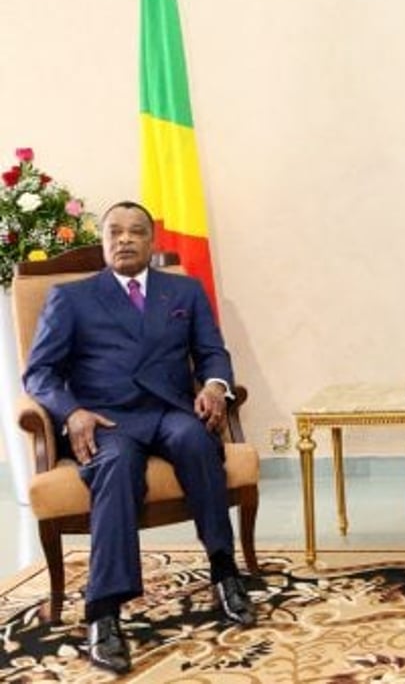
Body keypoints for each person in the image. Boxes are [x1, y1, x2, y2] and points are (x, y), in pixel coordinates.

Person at [23, 201, 256, 674]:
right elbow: (40, 373)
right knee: (116, 465)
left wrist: (214, 385)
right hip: (106, 420)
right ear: (104, 240)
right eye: (115, 232)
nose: (125, 239)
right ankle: (103, 612)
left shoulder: (184, 291)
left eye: (135, 232)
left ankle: (224, 570)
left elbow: (212, 353)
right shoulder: (71, 298)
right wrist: (73, 413)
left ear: (152, 242)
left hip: (169, 410)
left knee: (195, 440)